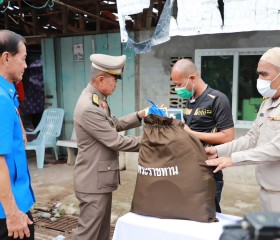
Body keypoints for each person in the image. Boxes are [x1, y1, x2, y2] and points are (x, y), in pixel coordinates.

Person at [72, 53, 146, 240]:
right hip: (92, 182)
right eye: (115, 79)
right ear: (100, 79)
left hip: (99, 180)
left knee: (102, 234)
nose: (117, 84)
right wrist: (151, 141)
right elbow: (115, 140)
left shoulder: (98, 99)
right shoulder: (89, 106)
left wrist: (140, 115)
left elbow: (114, 124)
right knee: (87, 235)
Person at [206, 47, 280, 212]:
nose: (259, 79)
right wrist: (218, 151)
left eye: (264, 74)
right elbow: (251, 138)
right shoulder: (267, 102)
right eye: (258, 74)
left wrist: (233, 159)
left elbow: (276, 148)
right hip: (266, 191)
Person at [170, 58, 234, 213]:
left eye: (179, 84)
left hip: (209, 171)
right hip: (188, 168)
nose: (177, 89)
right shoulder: (189, 100)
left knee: (208, 215)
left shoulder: (218, 99)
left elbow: (228, 136)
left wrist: (192, 133)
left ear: (192, 78)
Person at [0, 30, 35, 239]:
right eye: (22, 59)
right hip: (8, 213)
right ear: (6, 58)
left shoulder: (8, 93)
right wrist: (13, 214)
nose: (26, 65)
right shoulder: (1, 98)